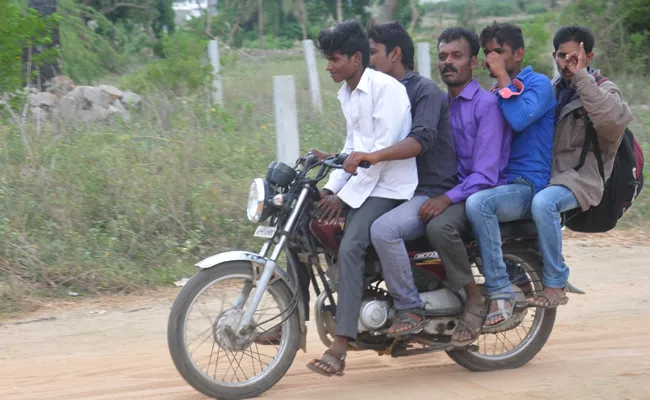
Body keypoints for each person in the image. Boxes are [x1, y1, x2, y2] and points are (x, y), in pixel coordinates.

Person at [363, 25, 513, 347]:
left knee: (439, 227)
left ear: (474, 62)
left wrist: (446, 198)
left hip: (475, 192)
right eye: (443, 57)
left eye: (457, 56)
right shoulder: (440, 102)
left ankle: (473, 298)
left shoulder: (487, 106)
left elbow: (485, 174)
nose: (448, 62)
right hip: (440, 190)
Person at [306, 19, 418, 377]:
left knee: (352, 244)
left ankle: (340, 346)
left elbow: (380, 156)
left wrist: (344, 197)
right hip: (368, 183)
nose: (328, 66)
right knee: (308, 224)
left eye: (334, 59)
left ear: (356, 59)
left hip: (391, 188)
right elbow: (354, 149)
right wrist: (330, 187)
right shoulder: (349, 94)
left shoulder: (387, 90)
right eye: (326, 59)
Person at [526, 26, 633, 308]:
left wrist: (583, 77)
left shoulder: (604, 88)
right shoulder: (551, 90)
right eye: (562, 56)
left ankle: (556, 281)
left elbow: (613, 123)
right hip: (549, 177)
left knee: (543, 204)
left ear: (589, 56)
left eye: (576, 57)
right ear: (554, 56)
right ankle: (520, 268)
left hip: (582, 180)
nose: (568, 63)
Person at [464, 22, 557, 328]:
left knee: (480, 204)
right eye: (488, 52)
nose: (492, 58)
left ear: (518, 54)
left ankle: (501, 291)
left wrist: (503, 77)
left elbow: (519, 119)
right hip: (500, 182)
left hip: (526, 185)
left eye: (499, 52)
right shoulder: (497, 91)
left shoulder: (538, 84)